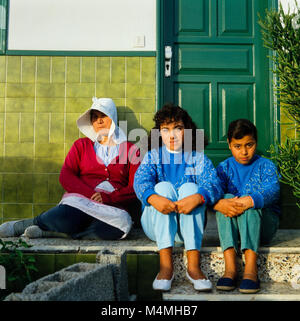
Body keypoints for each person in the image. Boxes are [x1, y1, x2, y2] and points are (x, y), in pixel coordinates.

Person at [0, 97, 140, 240]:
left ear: (113, 118)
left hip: (112, 206)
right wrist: (90, 194)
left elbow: (135, 185)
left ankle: (50, 232)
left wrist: (109, 197)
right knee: (64, 216)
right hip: (82, 200)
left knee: (119, 226)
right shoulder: (81, 145)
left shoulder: (129, 149)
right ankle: (24, 225)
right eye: (95, 117)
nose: (99, 121)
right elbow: (66, 175)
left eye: (103, 116)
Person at [133, 104, 223, 292]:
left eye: (177, 128)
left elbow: (213, 183)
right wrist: (153, 198)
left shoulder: (197, 158)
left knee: (192, 188)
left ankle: (193, 267)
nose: (171, 135)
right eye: (165, 129)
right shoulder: (153, 156)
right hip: (156, 227)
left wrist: (199, 197)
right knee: (162, 188)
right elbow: (140, 181)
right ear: (159, 133)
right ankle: (166, 267)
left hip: (186, 228)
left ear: (187, 130)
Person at [213, 119, 280, 294]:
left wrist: (248, 201)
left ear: (256, 143)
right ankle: (230, 268)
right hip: (235, 231)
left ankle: (251, 270)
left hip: (263, 227)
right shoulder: (224, 168)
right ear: (229, 144)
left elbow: (273, 190)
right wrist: (221, 203)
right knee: (223, 200)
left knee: (251, 201)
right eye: (238, 146)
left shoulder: (266, 165)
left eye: (249, 145)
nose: (244, 151)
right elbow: (212, 190)